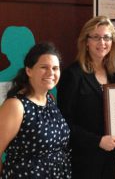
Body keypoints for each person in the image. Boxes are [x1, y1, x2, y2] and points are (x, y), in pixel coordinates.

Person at [57, 16, 115, 179]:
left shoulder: (113, 73)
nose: (102, 42)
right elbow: (65, 122)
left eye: (106, 37)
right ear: (86, 41)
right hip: (83, 156)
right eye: (96, 37)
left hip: (110, 154)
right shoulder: (72, 74)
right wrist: (97, 141)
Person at [0, 43, 71, 178]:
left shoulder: (50, 99)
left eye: (55, 68)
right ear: (29, 71)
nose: (51, 73)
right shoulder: (16, 106)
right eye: (44, 67)